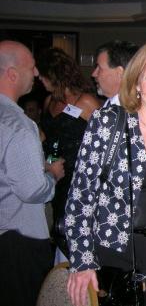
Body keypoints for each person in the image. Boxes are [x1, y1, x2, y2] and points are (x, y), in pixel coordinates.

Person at [65, 41, 146, 306]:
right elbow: (80, 197)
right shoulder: (109, 123)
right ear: (136, 84)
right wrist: (82, 261)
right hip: (113, 250)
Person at [0, 40, 65, 306]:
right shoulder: (18, 124)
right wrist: (52, 175)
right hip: (17, 238)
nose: (36, 74)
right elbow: (33, 191)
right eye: (31, 67)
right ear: (12, 74)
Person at [36, 47, 101, 259]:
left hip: (79, 178)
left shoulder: (85, 102)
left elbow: (105, 140)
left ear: (54, 76)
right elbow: (49, 139)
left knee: (74, 230)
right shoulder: (49, 102)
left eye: (43, 76)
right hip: (55, 175)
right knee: (57, 227)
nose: (40, 80)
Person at [91, 40, 139, 106]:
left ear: (120, 73)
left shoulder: (128, 111)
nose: (94, 74)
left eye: (99, 68)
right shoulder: (113, 104)